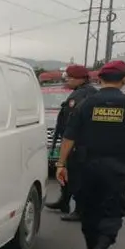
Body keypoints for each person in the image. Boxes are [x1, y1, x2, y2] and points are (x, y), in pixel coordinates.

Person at [55, 60, 125, 249]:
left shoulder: (87, 104)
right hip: (117, 168)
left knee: (89, 212)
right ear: (123, 79)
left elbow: (69, 137)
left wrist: (61, 165)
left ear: (100, 79)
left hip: (86, 167)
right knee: (112, 212)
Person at [46, 64, 98, 220]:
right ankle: (64, 201)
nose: (66, 80)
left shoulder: (81, 96)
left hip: (77, 143)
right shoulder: (85, 92)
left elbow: (73, 122)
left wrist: (68, 142)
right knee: (68, 173)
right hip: (80, 141)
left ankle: (80, 210)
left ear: (80, 79)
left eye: (70, 77)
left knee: (77, 176)